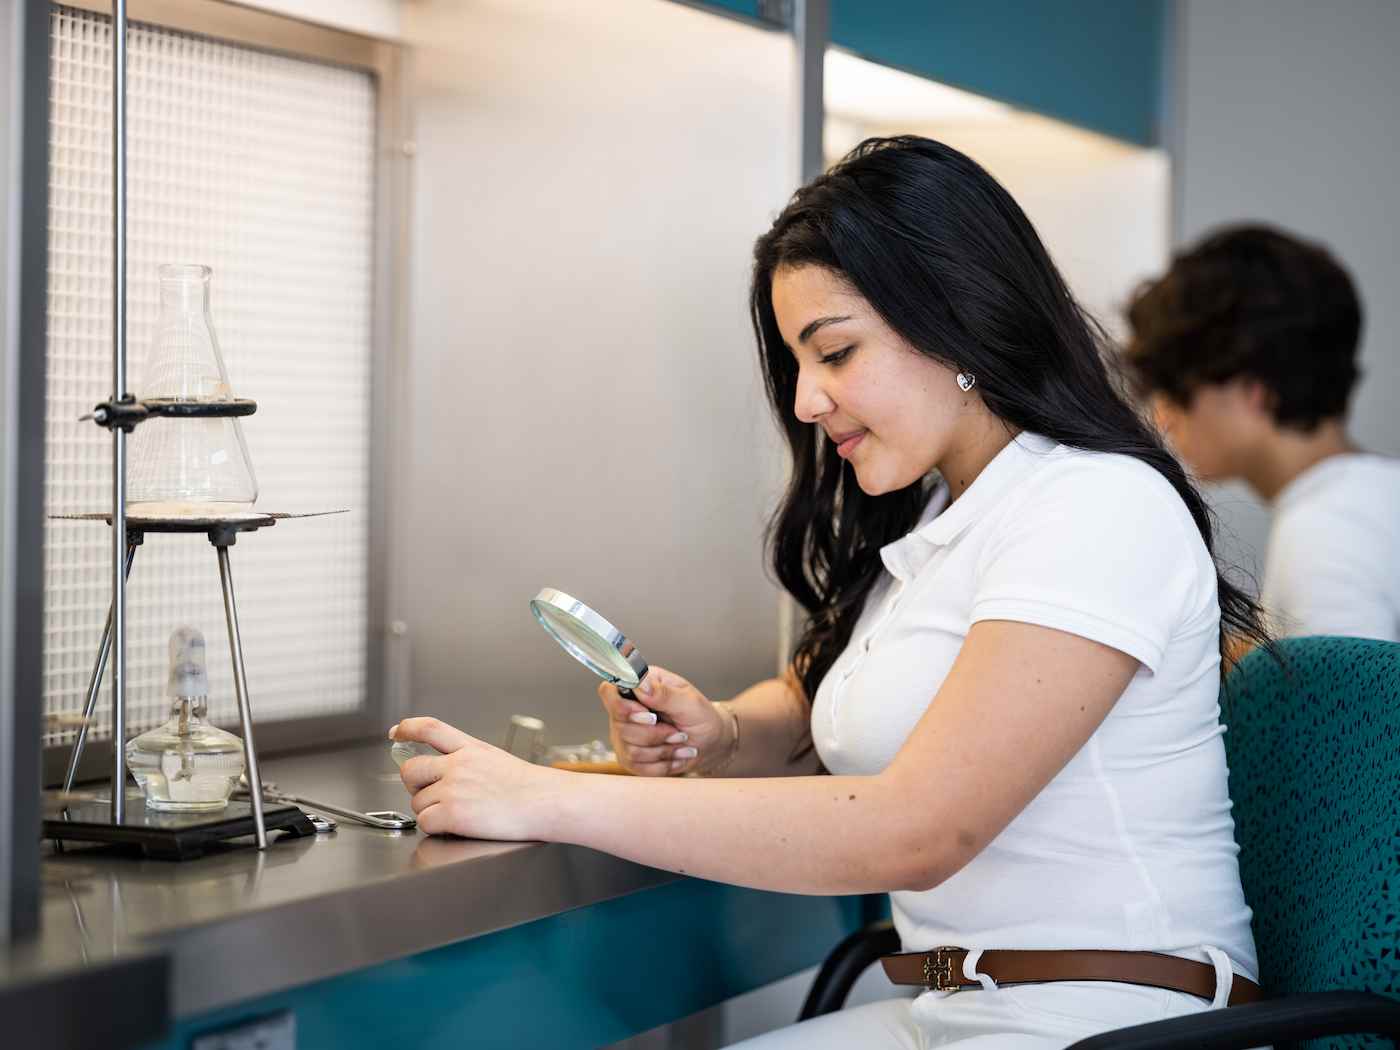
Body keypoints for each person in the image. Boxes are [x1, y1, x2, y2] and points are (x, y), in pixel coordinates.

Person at [391, 137, 1272, 1049]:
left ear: (958, 319)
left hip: (1117, 1022)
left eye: (837, 353)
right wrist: (726, 732)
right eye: (798, 365)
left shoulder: (1094, 506)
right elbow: (834, 692)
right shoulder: (942, 511)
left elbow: (918, 829)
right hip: (957, 1012)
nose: (808, 400)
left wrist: (542, 796)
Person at [1124, 224, 1400, 642]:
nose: (1163, 418)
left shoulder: (1324, 533)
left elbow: (1346, 705)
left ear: (1254, 391)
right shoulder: (1377, 493)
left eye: (1176, 390)